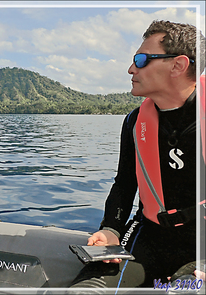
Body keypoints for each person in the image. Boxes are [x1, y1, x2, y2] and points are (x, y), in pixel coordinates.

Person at [72, 20, 206, 290]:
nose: (131, 68)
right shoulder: (135, 122)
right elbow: (124, 184)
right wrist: (110, 229)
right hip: (150, 234)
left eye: (141, 59)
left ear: (178, 65)